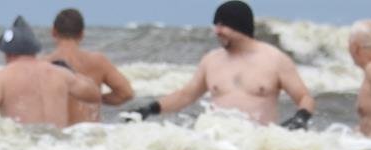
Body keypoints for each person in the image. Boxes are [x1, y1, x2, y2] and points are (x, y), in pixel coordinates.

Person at [128, 2, 315, 129]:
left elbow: (304, 97)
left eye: (222, 25)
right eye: (216, 25)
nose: (216, 31)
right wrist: (149, 109)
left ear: (240, 26)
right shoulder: (211, 60)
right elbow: (185, 96)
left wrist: (301, 118)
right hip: (220, 144)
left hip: (258, 143)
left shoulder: (274, 59)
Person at [41, 8, 135, 124]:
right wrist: (95, 98)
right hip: (88, 131)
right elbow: (126, 93)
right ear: (82, 34)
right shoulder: (98, 61)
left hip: (55, 133)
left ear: (53, 32)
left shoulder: (42, 64)